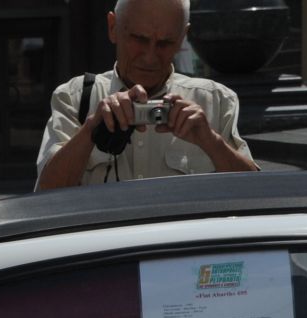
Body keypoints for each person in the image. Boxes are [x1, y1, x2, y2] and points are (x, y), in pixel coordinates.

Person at [34, 0, 258, 190]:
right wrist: (91, 130)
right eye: (139, 39)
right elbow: (45, 196)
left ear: (182, 38)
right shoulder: (74, 98)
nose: (150, 56)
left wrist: (211, 142)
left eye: (165, 43)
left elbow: (256, 195)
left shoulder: (215, 101)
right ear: (113, 27)